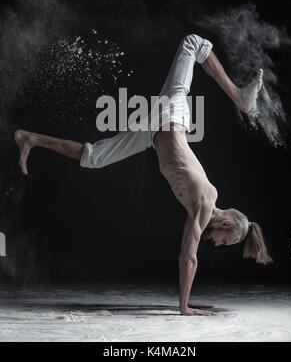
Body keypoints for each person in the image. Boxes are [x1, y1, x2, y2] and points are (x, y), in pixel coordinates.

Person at [14, 34, 272, 316]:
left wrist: (184, 301)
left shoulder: (204, 207)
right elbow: (188, 257)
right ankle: (241, 98)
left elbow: (187, 253)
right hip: (171, 115)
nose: (219, 244)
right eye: (226, 241)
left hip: (154, 132)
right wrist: (184, 307)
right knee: (191, 43)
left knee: (94, 158)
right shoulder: (204, 204)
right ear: (225, 222)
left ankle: (31, 138)